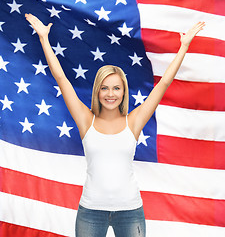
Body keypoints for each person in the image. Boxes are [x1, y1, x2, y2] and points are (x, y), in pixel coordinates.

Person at [25, 13, 205, 237]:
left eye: (116, 88)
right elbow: (61, 78)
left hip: (130, 212)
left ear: (124, 92)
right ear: (97, 91)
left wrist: (183, 47)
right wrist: (44, 38)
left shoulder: (134, 121)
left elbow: (164, 83)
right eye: (105, 88)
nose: (110, 94)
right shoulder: (85, 120)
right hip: (91, 211)